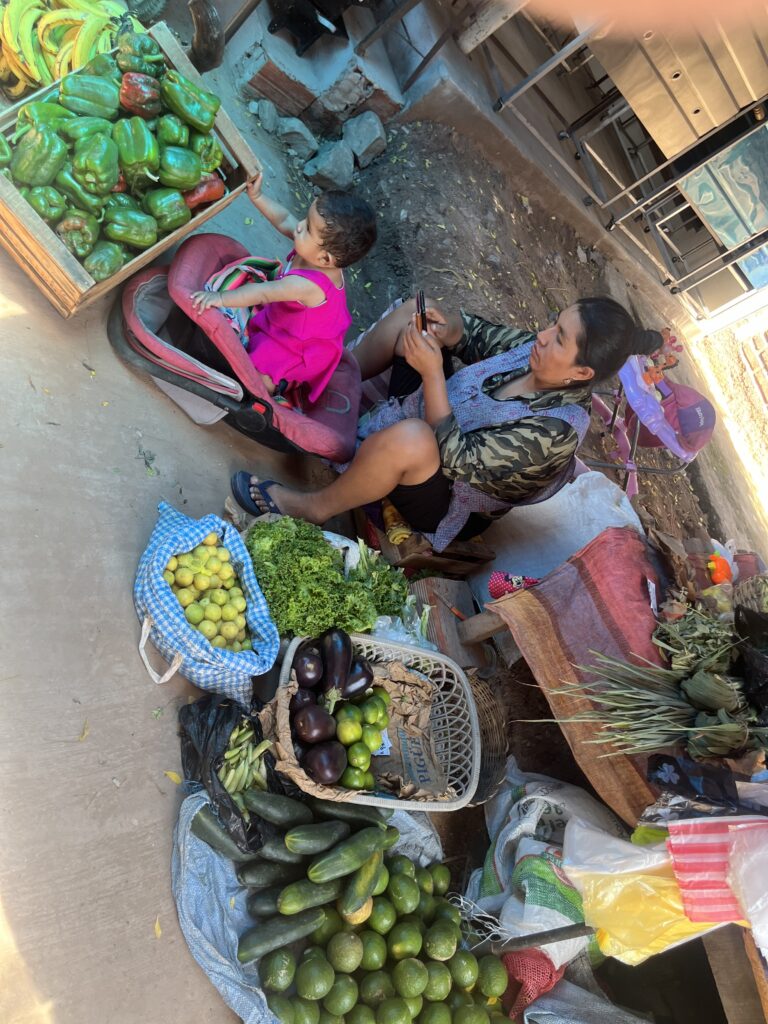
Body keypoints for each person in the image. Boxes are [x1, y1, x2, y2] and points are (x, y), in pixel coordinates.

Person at [230, 296, 661, 551]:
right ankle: (317, 389)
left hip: (444, 498)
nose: (544, 335)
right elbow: (475, 335)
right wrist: (446, 327)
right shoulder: (535, 350)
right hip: (423, 412)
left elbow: (456, 459)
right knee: (409, 319)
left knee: (413, 440)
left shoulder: (556, 432)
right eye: (554, 322)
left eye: (560, 339)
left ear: (582, 373)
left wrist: (435, 373)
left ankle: (312, 508)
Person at [191, 174, 376, 406]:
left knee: (259, 373)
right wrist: (257, 196)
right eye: (306, 219)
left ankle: (276, 386)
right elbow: (284, 218)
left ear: (325, 258)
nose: (299, 226)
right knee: (260, 326)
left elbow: (263, 293)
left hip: (298, 347)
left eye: (307, 228)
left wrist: (219, 298)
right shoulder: (315, 251)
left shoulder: (308, 285)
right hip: (288, 321)